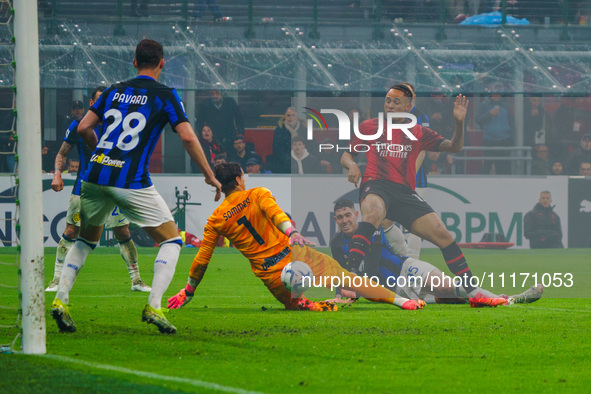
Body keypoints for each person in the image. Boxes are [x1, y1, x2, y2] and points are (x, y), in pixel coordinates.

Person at [50, 39, 222, 335]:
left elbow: (83, 128)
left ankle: (60, 300)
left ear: (134, 62)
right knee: (171, 240)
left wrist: (101, 152)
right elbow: (189, 137)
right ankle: (154, 306)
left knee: (86, 239)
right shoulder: (165, 95)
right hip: (130, 179)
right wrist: (208, 174)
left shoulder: (114, 89)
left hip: (93, 175)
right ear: (162, 63)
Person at [167, 162, 425, 313]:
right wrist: (292, 233)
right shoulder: (257, 194)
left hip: (272, 276)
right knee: (349, 279)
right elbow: (277, 215)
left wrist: (188, 292)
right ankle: (403, 302)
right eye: (243, 176)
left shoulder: (216, 218)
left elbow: (202, 258)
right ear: (238, 179)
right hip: (294, 254)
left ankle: (314, 303)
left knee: (300, 306)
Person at [340, 84, 504, 302]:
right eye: (388, 100)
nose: (390, 105)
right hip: (376, 184)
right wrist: (351, 165)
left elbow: (454, 147)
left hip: (404, 193)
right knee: (373, 213)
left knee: (443, 234)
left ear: (409, 106)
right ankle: (351, 279)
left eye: (396, 101)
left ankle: (474, 293)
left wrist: (459, 122)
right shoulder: (370, 126)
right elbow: (346, 155)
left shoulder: (419, 131)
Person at [331, 199, 543, 305]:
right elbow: (341, 274)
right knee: (455, 298)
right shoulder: (336, 243)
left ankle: (513, 299)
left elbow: (370, 268)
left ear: (356, 214)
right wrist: (340, 294)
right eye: (340, 217)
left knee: (447, 285)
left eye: (347, 215)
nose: (345, 220)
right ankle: (510, 300)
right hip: (396, 292)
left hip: (406, 269)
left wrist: (355, 293)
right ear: (335, 220)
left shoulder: (371, 230)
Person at [45, 86, 151, 294]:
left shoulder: (120, 126)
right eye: (101, 100)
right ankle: (57, 280)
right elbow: (61, 153)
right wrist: (57, 174)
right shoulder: (80, 125)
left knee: (123, 231)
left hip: (113, 187)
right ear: (93, 104)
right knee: (71, 231)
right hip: (83, 188)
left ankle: (136, 280)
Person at [476, 91, 513, 174]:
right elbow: (478, 120)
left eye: (498, 94)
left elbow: (510, 122)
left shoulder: (505, 105)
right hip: (489, 140)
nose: (496, 96)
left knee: (504, 167)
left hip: (504, 140)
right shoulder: (484, 105)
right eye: (494, 94)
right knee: (487, 166)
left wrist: (511, 137)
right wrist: (489, 114)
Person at [270, 107, 312, 173]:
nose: (290, 118)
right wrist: (289, 159)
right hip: (285, 161)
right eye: (288, 115)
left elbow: (312, 144)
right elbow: (277, 147)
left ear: (297, 117)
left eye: (293, 115)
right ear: (285, 117)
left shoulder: (305, 128)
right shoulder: (280, 129)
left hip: (304, 158)